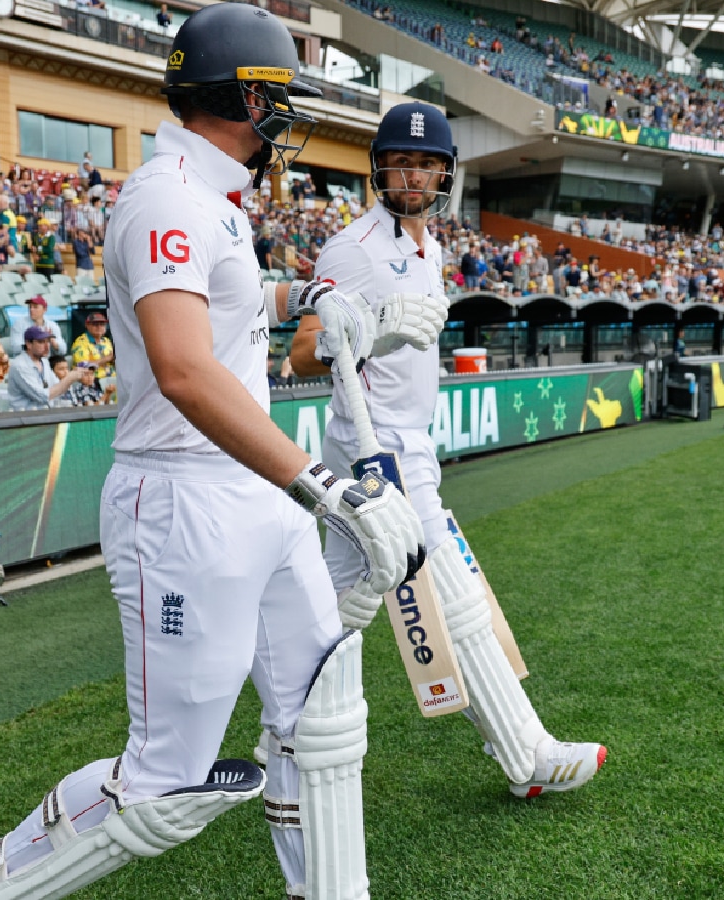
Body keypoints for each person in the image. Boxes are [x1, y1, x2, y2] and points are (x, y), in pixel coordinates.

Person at [0, 6, 425, 898]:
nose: (285, 113)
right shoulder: (167, 198)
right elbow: (185, 370)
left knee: (319, 722)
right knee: (168, 780)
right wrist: (324, 486)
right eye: (276, 94)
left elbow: (223, 301)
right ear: (239, 96)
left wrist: (305, 296)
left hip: (255, 491)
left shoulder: (212, 198)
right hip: (187, 502)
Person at [290, 102, 605, 798]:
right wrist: (376, 325)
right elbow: (303, 352)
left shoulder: (429, 246)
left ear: (444, 174)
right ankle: (528, 755)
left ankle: (287, 726)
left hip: (404, 441)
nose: (413, 175)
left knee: (332, 601)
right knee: (452, 592)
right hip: (376, 448)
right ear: (380, 169)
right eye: (401, 162)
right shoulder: (352, 249)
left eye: (426, 164)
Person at [2, 324, 79, 410]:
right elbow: (41, 397)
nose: (47, 346)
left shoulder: (44, 361)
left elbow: (57, 388)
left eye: (48, 341)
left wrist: (75, 376)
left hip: (46, 413)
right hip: (25, 416)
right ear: (28, 344)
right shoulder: (19, 365)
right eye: (41, 342)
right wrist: (68, 379)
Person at [68, 311, 113, 378]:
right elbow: (82, 366)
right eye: (95, 324)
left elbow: (111, 359)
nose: (99, 327)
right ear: (87, 325)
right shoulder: (81, 342)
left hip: (112, 377)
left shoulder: (106, 341)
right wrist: (106, 359)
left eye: (102, 324)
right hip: (92, 379)